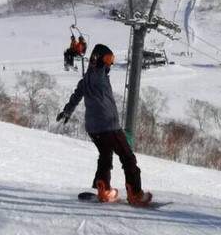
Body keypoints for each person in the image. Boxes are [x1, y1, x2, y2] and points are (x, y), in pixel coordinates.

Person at [56, 44, 152, 206]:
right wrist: (94, 60)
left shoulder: (85, 80)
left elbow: (75, 97)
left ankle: (104, 189)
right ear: (97, 60)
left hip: (94, 129)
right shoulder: (98, 75)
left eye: (112, 60)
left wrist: (67, 111)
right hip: (109, 126)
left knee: (105, 156)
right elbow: (97, 69)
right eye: (108, 60)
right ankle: (135, 194)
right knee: (128, 158)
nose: (110, 64)